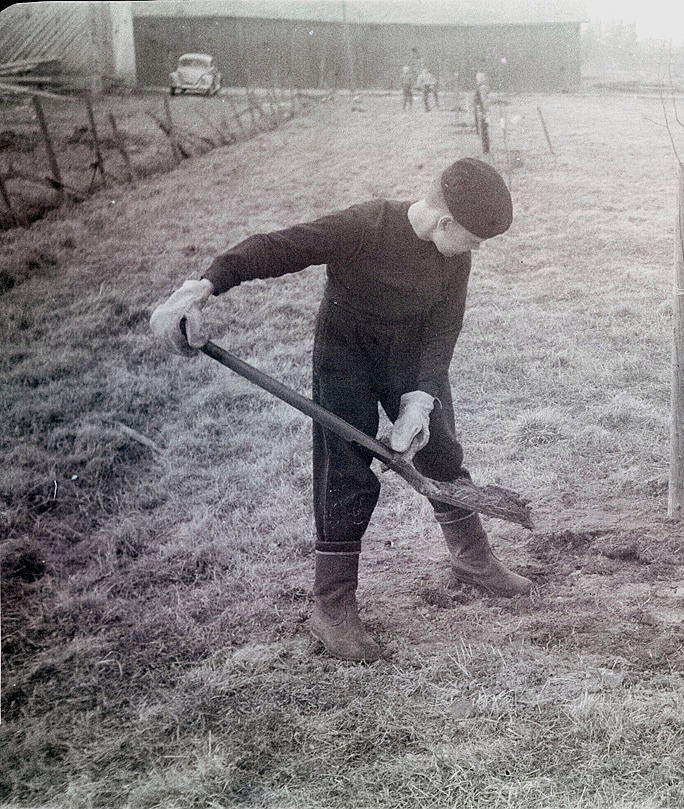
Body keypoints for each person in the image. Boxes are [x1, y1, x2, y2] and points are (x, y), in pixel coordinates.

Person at [149, 158, 533, 661]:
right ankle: (332, 607)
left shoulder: (453, 257)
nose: (476, 249)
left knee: (440, 451)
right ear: (444, 223)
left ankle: (472, 557)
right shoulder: (365, 226)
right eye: (474, 238)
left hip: (410, 357)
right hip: (345, 354)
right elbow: (280, 247)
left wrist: (419, 399)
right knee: (347, 472)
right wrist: (203, 286)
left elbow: (444, 330)